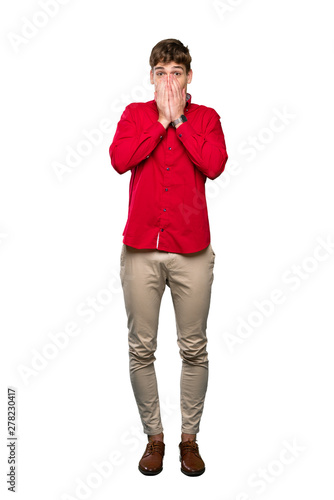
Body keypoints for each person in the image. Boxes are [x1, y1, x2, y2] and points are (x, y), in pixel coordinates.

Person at [109, 38, 228, 476]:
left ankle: (189, 440)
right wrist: (159, 122)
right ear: (151, 76)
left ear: (189, 76)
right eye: (161, 72)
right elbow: (120, 160)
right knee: (142, 348)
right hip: (141, 249)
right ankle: (154, 439)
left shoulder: (207, 118)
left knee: (194, 348)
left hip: (192, 251)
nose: (168, 80)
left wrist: (179, 121)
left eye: (176, 72)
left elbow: (214, 165)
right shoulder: (135, 115)